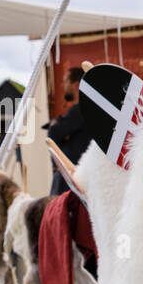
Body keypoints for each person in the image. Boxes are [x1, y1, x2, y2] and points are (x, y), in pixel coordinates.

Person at [47, 66, 89, 195]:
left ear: (76, 85)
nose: (62, 85)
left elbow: (53, 133)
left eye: (66, 81)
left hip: (72, 178)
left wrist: (56, 126)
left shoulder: (80, 110)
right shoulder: (84, 110)